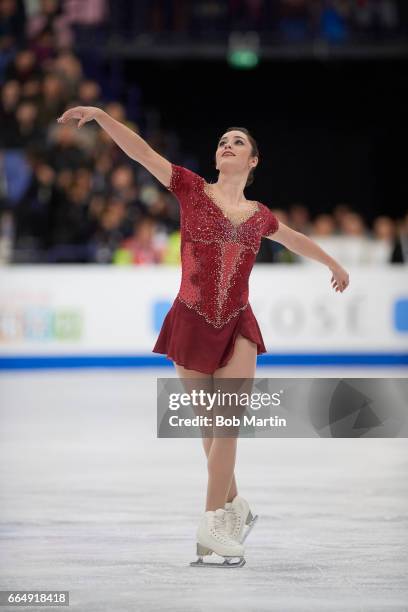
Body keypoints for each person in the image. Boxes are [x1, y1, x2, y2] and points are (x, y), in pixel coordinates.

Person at [57, 106, 350, 567]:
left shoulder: (260, 216)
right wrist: (100, 116)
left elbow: (295, 239)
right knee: (209, 430)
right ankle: (237, 506)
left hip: (237, 324)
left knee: (227, 424)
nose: (226, 145)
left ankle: (213, 523)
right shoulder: (190, 188)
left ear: (253, 161)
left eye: (238, 142)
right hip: (190, 319)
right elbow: (140, 153)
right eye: (222, 141)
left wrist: (332, 263)